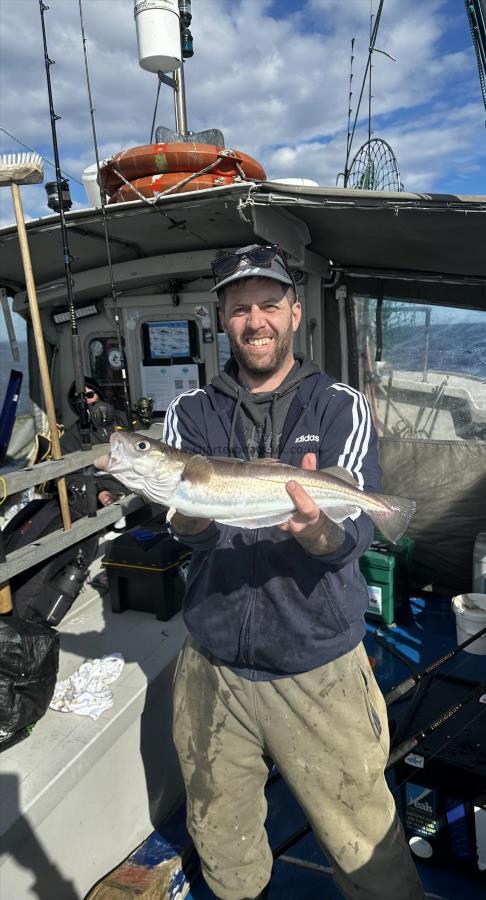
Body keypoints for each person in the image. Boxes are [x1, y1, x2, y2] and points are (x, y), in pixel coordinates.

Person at [162, 244, 425, 900]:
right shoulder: (191, 415)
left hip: (318, 668)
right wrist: (186, 518)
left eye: (270, 305)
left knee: (368, 851)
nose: (257, 321)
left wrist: (320, 530)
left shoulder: (338, 406)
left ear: (296, 312)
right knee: (224, 850)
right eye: (240, 308)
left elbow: (356, 531)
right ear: (222, 319)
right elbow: (181, 529)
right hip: (213, 668)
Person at [61, 377, 127, 509]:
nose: (85, 401)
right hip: (109, 490)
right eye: (79, 398)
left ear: (99, 395)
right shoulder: (71, 436)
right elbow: (70, 475)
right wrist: (99, 491)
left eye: (89, 395)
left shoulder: (123, 419)